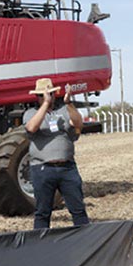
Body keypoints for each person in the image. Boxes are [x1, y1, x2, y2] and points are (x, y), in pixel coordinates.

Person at [22, 77, 89, 229]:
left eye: (49, 94)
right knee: (43, 211)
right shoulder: (31, 113)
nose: (46, 97)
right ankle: (40, 244)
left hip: (67, 168)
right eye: (42, 95)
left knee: (78, 209)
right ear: (37, 97)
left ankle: (85, 240)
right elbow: (31, 128)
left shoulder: (63, 110)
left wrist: (68, 102)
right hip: (42, 169)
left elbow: (78, 123)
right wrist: (45, 105)